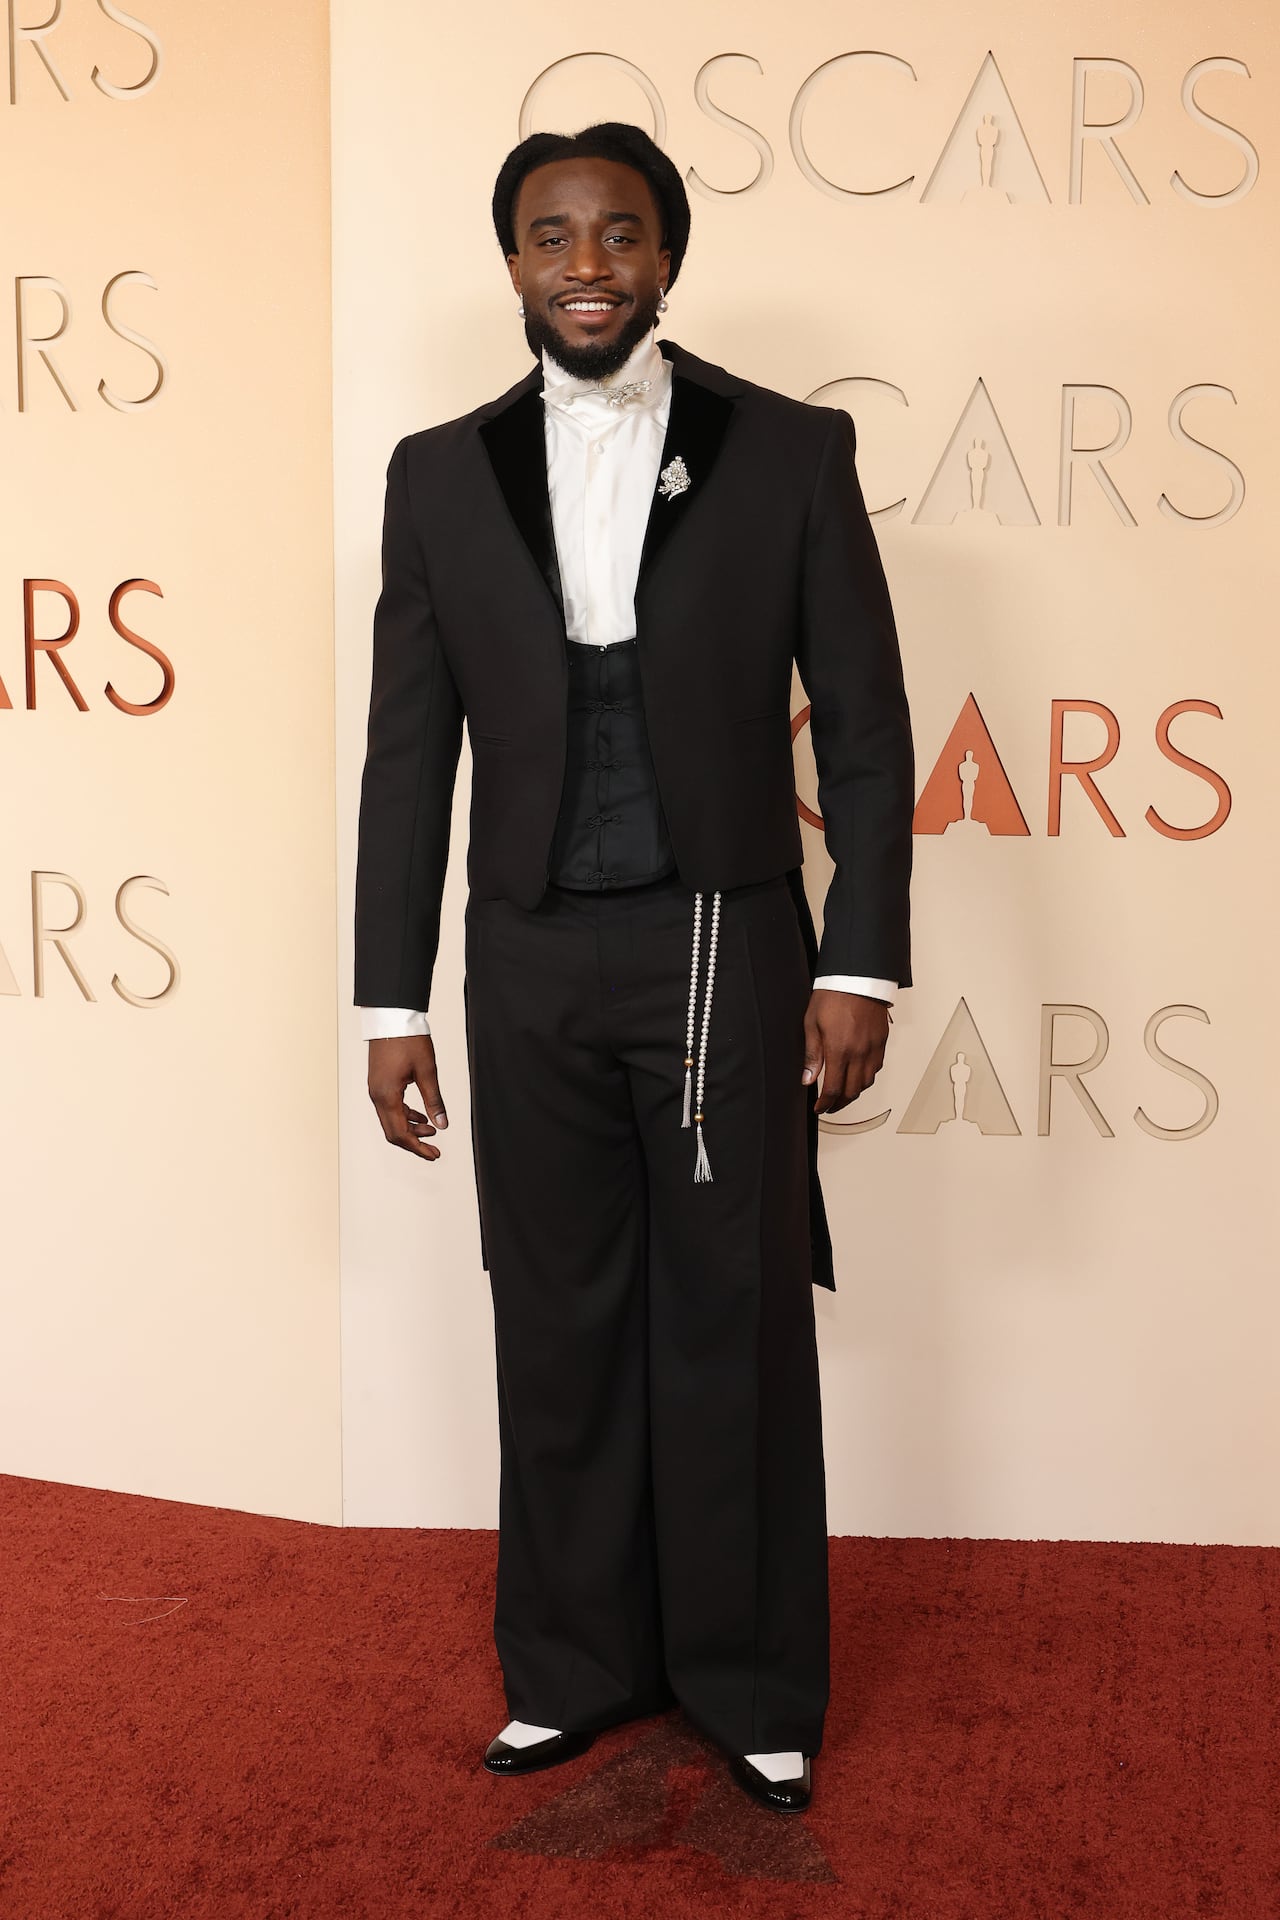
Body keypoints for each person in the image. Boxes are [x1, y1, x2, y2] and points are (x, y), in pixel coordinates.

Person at [353, 121, 914, 1816]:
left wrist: (862, 965)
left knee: (728, 1313)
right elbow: (406, 758)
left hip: (722, 948)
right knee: (559, 1315)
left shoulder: (792, 451)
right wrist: (390, 1003)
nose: (584, 264)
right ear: (509, 260)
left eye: (617, 234)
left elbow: (874, 738)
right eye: (550, 235)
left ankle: (748, 1682)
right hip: (522, 952)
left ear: (668, 256)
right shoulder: (435, 473)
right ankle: (575, 1670)